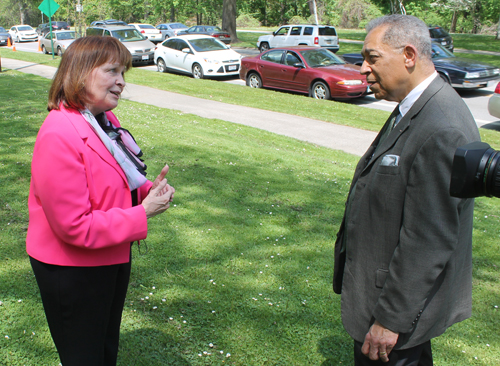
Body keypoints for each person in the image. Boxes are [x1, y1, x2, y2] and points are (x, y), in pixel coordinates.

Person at [333, 15, 480, 365]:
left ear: (409, 55)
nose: (363, 69)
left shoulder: (442, 126)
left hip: (394, 315)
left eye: (372, 57)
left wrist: (389, 320)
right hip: (382, 298)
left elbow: (428, 238)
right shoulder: (413, 106)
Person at [26, 36, 175, 366]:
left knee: (104, 348)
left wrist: (148, 191)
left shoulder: (105, 122)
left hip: (110, 257)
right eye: (112, 71)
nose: (121, 82)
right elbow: (74, 226)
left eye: (123, 72)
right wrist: (142, 213)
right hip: (72, 271)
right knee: (84, 357)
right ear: (80, 73)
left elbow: (113, 182)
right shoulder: (58, 134)